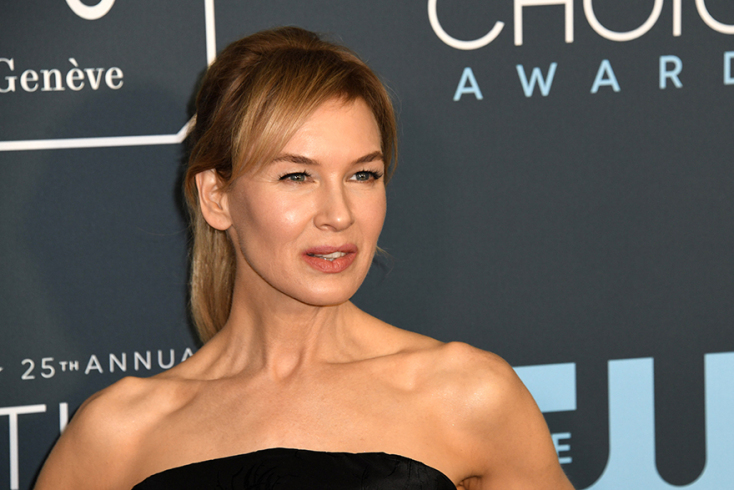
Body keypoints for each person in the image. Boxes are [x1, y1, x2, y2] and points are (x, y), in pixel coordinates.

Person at [34, 27, 574, 490]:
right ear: (216, 198)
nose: (339, 214)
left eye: (363, 174)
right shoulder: (119, 434)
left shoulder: (469, 396)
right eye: (297, 176)